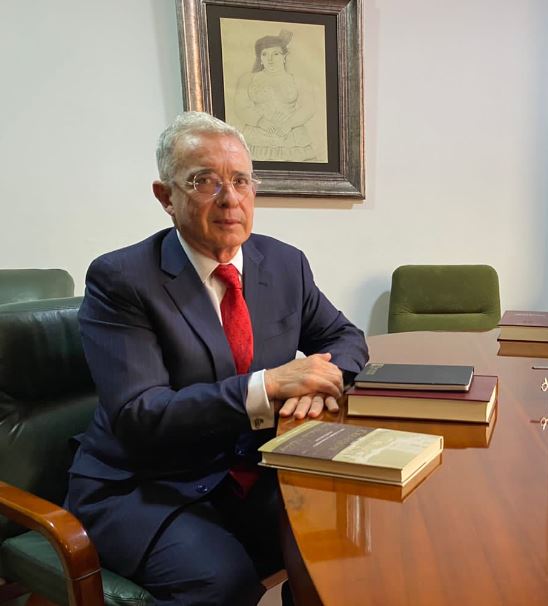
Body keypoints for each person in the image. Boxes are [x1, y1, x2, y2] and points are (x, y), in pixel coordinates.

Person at [66, 112, 368, 605]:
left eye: (241, 180)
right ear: (166, 197)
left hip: (249, 466)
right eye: (204, 181)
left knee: (336, 543)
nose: (230, 199)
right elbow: (138, 414)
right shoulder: (121, 279)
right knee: (223, 584)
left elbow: (343, 336)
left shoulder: (284, 263)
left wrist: (320, 381)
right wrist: (269, 386)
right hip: (145, 484)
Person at [233, 29, 319, 162]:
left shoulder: (298, 80)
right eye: (265, 54)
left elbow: (309, 107)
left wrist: (288, 124)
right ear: (260, 59)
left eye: (276, 54)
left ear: (284, 56)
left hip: (292, 137)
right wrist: (262, 122)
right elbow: (241, 107)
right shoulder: (248, 79)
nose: (270, 59)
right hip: (257, 137)